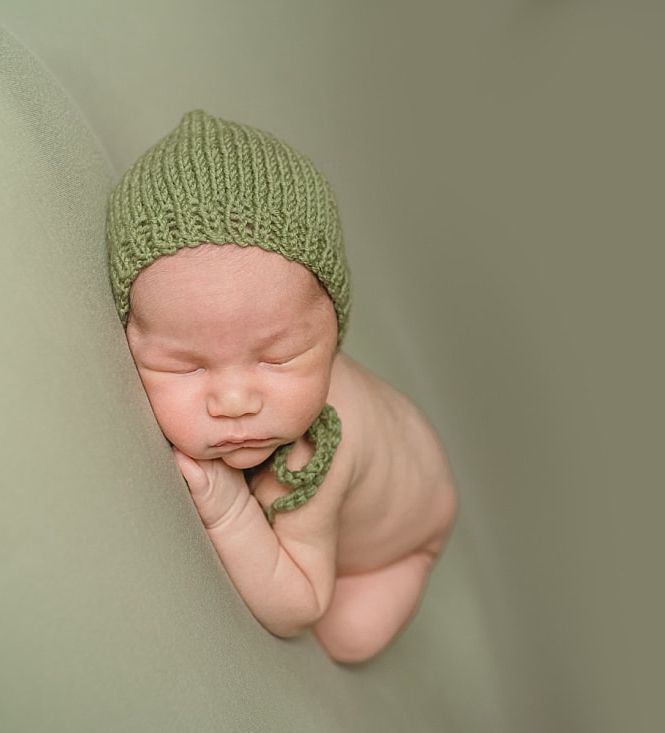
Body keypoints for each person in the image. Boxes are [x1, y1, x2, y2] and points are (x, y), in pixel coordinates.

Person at [106, 110, 457, 664]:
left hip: (411, 522)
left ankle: (417, 557)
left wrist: (228, 512)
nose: (235, 402)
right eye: (186, 366)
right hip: (404, 447)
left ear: (334, 335)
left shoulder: (317, 456)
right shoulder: (265, 399)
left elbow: (300, 605)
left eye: (278, 357)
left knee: (348, 637)